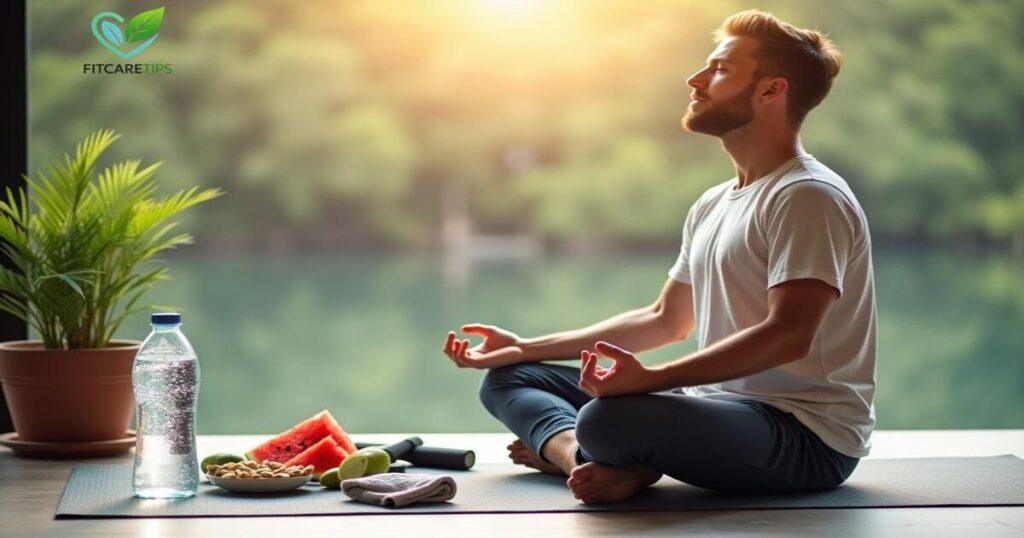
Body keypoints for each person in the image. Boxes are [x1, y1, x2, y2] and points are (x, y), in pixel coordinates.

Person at [441, 9, 876, 504]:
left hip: (805, 437)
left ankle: (583, 451)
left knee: (610, 418)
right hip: (714, 409)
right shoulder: (714, 202)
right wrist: (525, 348)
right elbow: (664, 320)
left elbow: (790, 336)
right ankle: (582, 460)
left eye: (720, 69)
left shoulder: (807, 195)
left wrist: (654, 380)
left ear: (770, 91)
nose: (695, 79)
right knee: (511, 379)